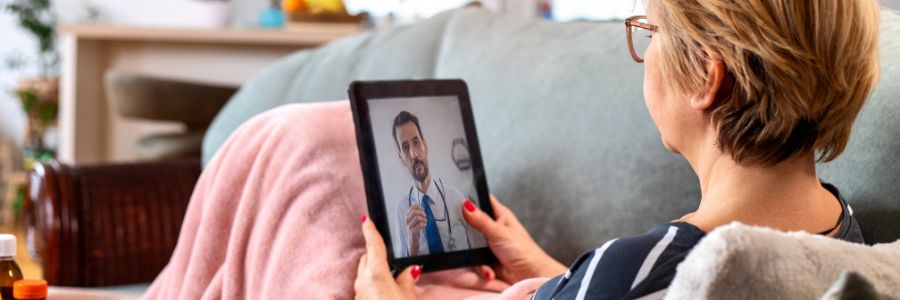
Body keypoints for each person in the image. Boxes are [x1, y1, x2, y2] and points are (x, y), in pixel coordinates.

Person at [355, 0, 881, 299]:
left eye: (650, 31)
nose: (646, 55)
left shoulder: (635, 266)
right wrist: (560, 276)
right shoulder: (849, 241)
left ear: (705, 76)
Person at [391, 111, 484, 257]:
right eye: (405, 147)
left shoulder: (456, 197)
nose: (414, 154)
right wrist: (412, 245)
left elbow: (481, 249)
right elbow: (401, 274)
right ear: (401, 158)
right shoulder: (401, 210)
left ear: (425, 146)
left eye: (416, 142)